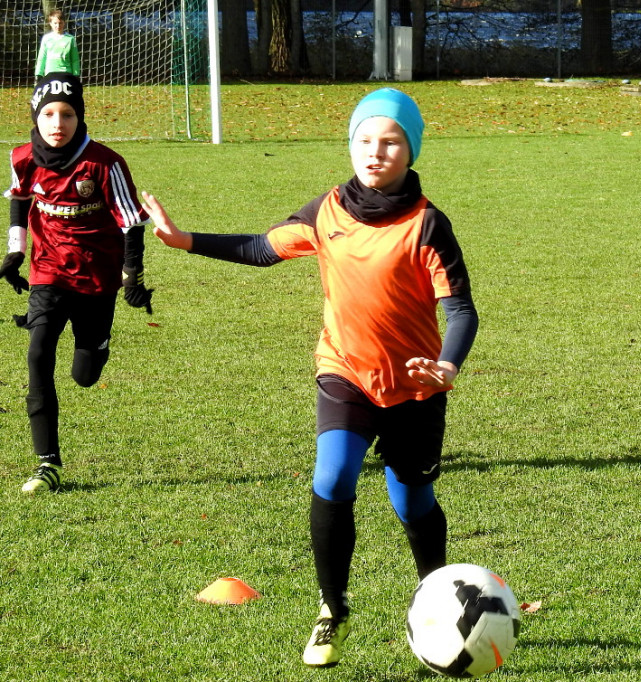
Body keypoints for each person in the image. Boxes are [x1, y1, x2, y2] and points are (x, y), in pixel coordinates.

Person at [142, 88, 478, 668]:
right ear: (351, 147)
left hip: (415, 386)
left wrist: (447, 365)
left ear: (411, 151)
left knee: (413, 501)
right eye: (365, 140)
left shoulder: (427, 225)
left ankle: (442, 605)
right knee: (333, 475)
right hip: (343, 371)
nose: (375, 151)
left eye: (391, 141)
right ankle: (332, 610)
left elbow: (461, 311)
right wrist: (185, 241)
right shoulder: (326, 211)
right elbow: (260, 248)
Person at [1, 72, 154, 494]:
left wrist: (132, 277)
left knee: (85, 374)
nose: (57, 123)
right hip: (47, 271)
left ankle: (98, 344)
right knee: (37, 354)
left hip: (96, 276)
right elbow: (18, 199)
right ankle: (47, 463)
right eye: (48, 113)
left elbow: (131, 222)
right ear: (35, 117)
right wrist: (16, 251)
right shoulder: (22, 157)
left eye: (66, 114)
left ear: (79, 116)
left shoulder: (104, 163)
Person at [35, 9, 80, 78]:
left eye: (60, 23)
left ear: (64, 23)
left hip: (66, 74)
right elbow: (42, 58)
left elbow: (75, 59)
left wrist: (76, 74)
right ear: (50, 23)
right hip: (50, 74)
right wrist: (38, 74)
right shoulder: (46, 39)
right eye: (55, 23)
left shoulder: (70, 39)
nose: (58, 26)